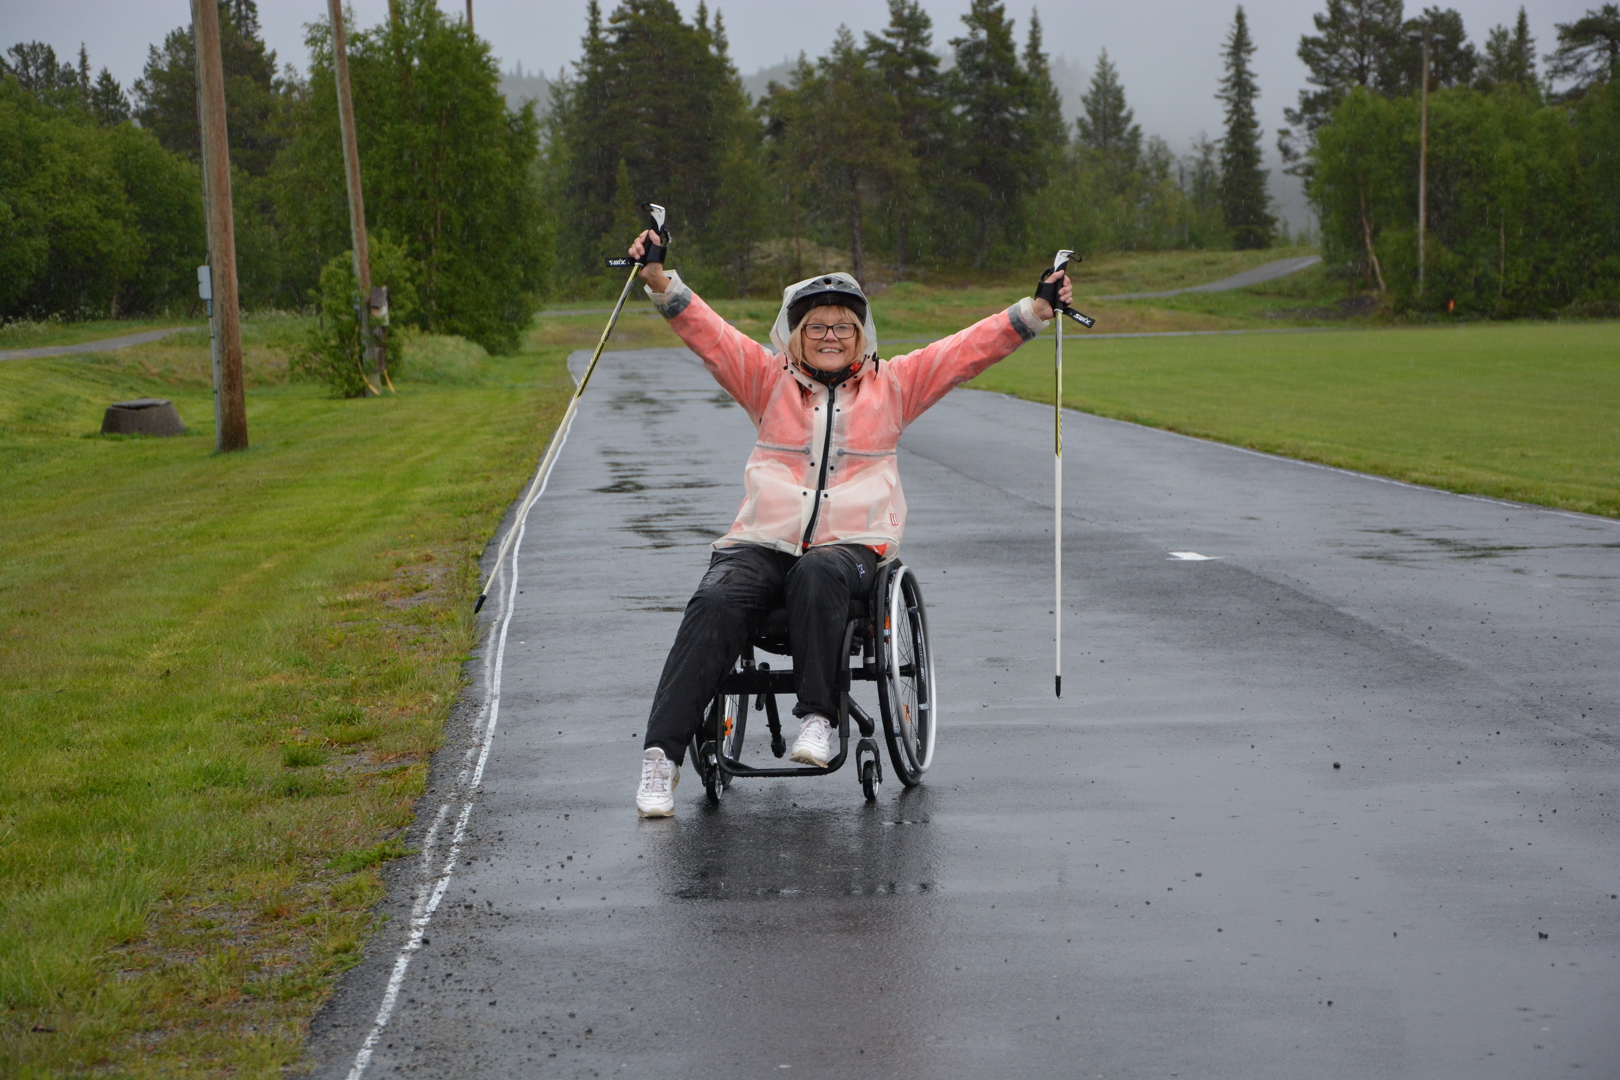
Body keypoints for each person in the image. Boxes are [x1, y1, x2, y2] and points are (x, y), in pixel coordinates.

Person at [631, 229, 1072, 816]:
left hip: (851, 550)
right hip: (763, 541)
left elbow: (963, 351)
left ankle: (818, 719)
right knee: (714, 598)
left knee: (818, 571)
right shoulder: (767, 380)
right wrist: (661, 281)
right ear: (796, 335)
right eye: (817, 327)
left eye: (843, 326)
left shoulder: (893, 385)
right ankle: (662, 758)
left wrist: (1035, 311)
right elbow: (711, 336)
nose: (831, 337)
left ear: (861, 335)